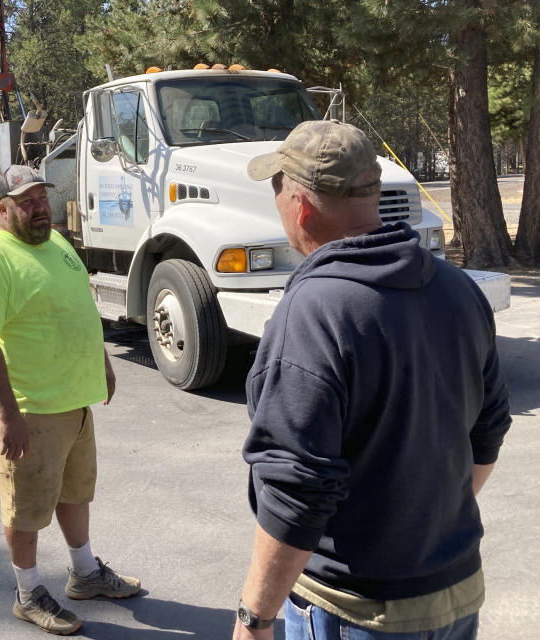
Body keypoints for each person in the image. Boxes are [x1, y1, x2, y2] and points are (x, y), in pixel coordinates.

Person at [231, 120, 511, 640]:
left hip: (354, 612)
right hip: (456, 595)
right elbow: (489, 432)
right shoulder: (458, 289)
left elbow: (297, 491)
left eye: (277, 189)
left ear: (301, 207)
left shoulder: (312, 313)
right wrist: (420, 528)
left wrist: (255, 618)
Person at [0, 164, 141, 635]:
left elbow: (78, 305)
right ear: (2, 208)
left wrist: (99, 362)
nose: (41, 208)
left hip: (74, 403)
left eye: (43, 198)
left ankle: (84, 574)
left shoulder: (55, 243)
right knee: (25, 509)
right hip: (30, 410)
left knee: (74, 493)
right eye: (27, 201)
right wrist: (8, 415)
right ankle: (27, 593)